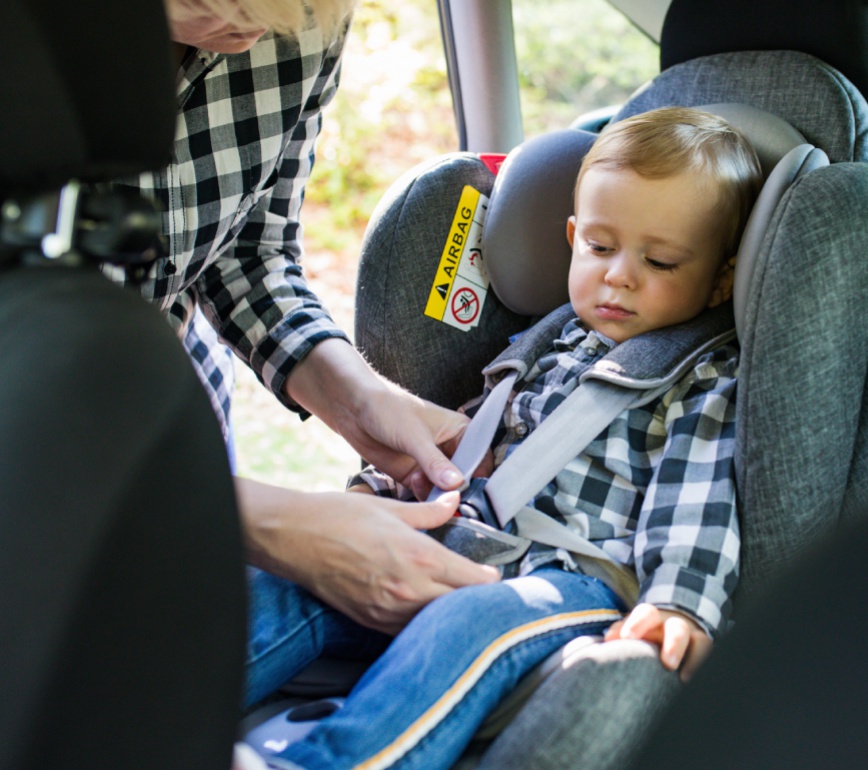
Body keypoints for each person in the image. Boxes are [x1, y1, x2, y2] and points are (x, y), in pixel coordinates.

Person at [238, 106, 763, 770]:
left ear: (720, 277)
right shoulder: (545, 343)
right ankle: (144, 712)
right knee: (290, 582)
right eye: (600, 247)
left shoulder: (704, 378)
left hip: (574, 578)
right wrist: (381, 495)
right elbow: (470, 442)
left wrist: (679, 600)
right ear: (573, 237)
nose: (619, 275)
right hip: (469, 538)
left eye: (658, 260)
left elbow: (697, 499)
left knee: (464, 626)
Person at [111, 0, 500, 638]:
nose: (248, 39)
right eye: (215, 3)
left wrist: (360, 398)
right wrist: (273, 525)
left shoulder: (301, 20)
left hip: (177, 422)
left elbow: (248, 251)